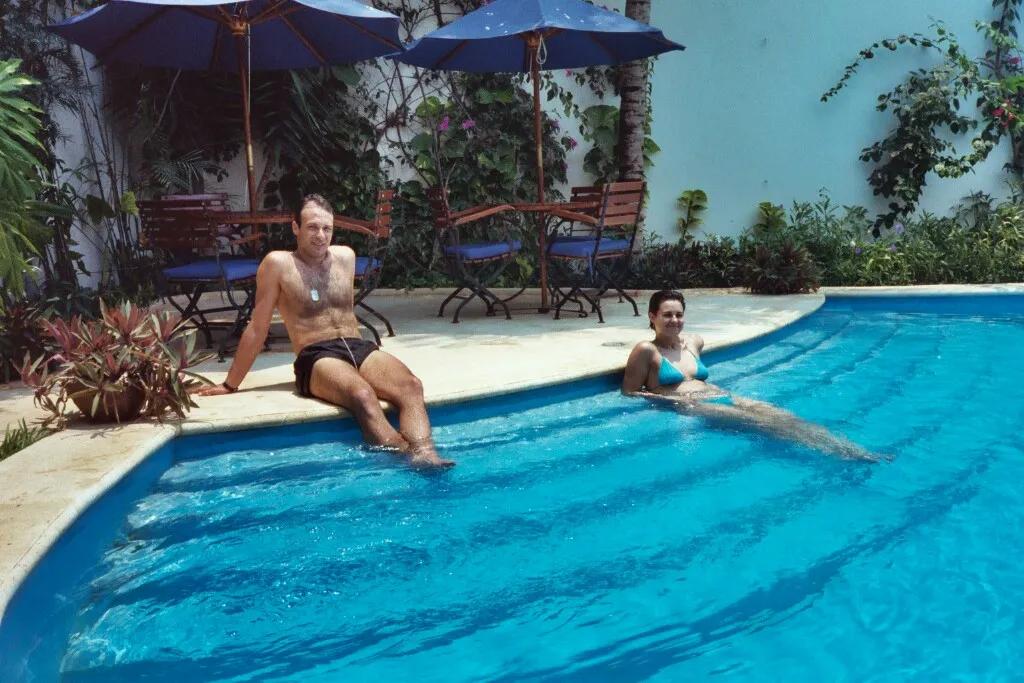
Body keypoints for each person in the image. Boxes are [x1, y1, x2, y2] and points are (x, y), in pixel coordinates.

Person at [195, 194, 453, 469]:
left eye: (326, 228)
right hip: (316, 355)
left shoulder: (345, 257)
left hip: (356, 346)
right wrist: (230, 383)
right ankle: (407, 459)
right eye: (312, 227)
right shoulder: (278, 264)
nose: (320, 235)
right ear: (295, 228)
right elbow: (258, 327)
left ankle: (427, 456)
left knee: (412, 387)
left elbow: (343, 310)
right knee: (362, 395)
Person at [622, 290, 880, 461]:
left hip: (724, 395)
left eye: (679, 314)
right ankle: (835, 455)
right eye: (667, 315)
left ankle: (851, 449)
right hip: (694, 406)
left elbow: (699, 378)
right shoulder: (647, 350)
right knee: (768, 427)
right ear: (652, 316)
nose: (675, 320)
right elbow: (631, 392)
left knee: (785, 417)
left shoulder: (693, 342)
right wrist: (678, 402)